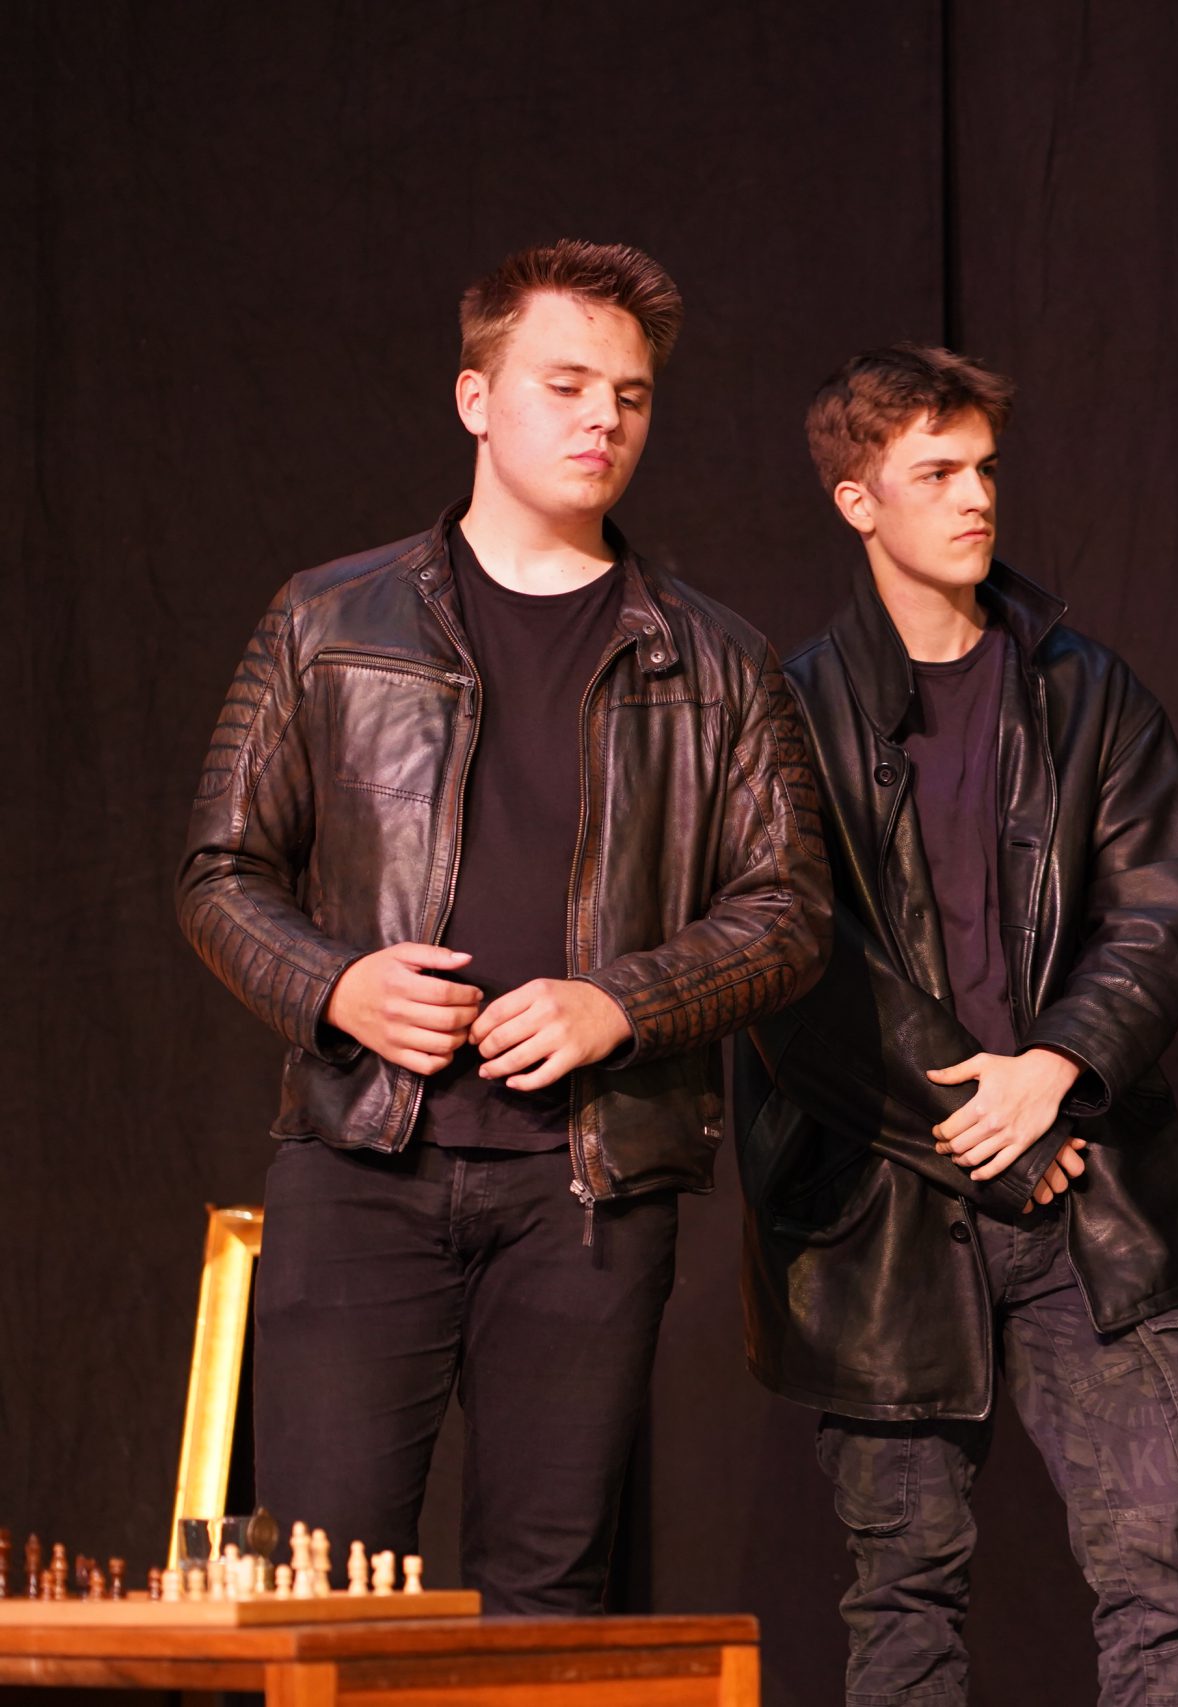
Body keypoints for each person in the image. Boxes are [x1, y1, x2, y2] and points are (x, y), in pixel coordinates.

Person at [176, 239, 827, 1612]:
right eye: (567, 385)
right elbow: (220, 872)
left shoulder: (719, 660)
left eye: (631, 396)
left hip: (587, 1188)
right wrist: (336, 984)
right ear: (475, 398)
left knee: (550, 1594)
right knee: (327, 1590)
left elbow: (789, 915)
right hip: (361, 1165)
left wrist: (622, 1002)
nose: (605, 420)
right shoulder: (327, 619)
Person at [734, 343, 1178, 1706]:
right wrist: (984, 1120)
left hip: (1086, 1197)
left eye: (986, 469)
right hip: (884, 1215)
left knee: (1165, 1568)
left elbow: (1158, 910)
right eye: (937, 472)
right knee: (902, 1602)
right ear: (857, 501)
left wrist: (1055, 1067)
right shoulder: (787, 714)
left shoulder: (1089, 693)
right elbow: (794, 969)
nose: (975, 498)